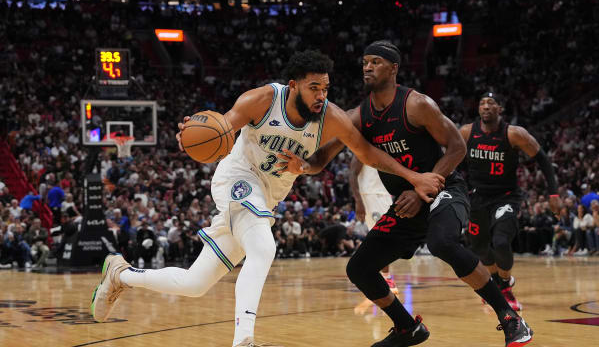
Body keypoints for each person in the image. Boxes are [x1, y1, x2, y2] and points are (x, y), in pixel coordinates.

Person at [90, 50, 442, 347]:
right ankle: (243, 340)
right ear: (294, 86)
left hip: (264, 200)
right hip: (236, 181)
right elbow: (222, 129)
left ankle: (121, 274)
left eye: (326, 87)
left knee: (194, 284)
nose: (321, 94)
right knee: (264, 247)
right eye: (314, 87)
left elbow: (366, 153)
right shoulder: (261, 99)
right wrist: (193, 136)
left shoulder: (330, 118)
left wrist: (412, 177)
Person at [278, 41, 533, 347]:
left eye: (375, 62)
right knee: (359, 267)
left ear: (394, 68)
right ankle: (406, 327)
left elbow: (457, 148)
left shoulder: (417, 105)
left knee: (442, 243)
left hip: (444, 190)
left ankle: (509, 317)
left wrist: (423, 187)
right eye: (364, 62)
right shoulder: (358, 116)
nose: (367, 67)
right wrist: (301, 166)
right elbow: (320, 159)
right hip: (406, 204)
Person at [459, 92, 561, 311]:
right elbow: (450, 157)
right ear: (478, 109)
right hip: (477, 197)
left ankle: (504, 286)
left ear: (500, 109)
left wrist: (553, 194)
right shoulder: (467, 132)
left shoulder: (514, 134)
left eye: (491, 103)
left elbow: (543, 160)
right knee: (479, 248)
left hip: (506, 197)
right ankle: (497, 282)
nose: (486, 106)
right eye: (482, 103)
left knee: (502, 242)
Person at [349, 159, 397, 293]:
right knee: (382, 238)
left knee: (387, 238)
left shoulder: (384, 147)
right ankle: (385, 277)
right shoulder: (361, 145)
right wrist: (358, 200)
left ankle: (372, 272)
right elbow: (352, 174)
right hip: (370, 195)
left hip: (385, 195)